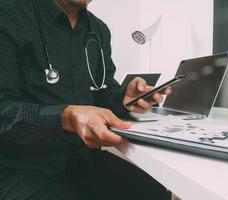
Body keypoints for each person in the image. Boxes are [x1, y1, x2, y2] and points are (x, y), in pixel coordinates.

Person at [0, 0, 172, 199]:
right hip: (18, 166)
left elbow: (102, 91)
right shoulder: (8, 15)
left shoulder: (98, 29)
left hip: (83, 160)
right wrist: (65, 116)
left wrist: (124, 99)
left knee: (157, 195)